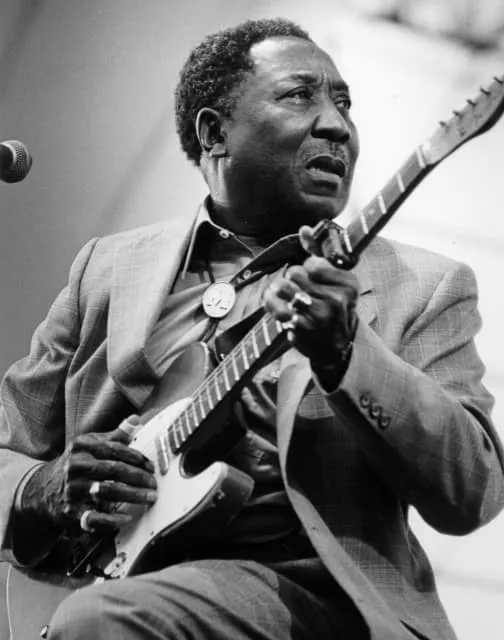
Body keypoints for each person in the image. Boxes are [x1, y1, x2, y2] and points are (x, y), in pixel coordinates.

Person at [0, 16, 503, 640]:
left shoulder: (426, 285)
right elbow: (10, 442)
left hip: (316, 609)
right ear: (215, 133)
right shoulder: (104, 268)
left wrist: (347, 354)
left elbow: (473, 491)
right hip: (109, 582)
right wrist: (38, 487)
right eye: (300, 95)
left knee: (100, 621)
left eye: (344, 104)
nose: (337, 125)